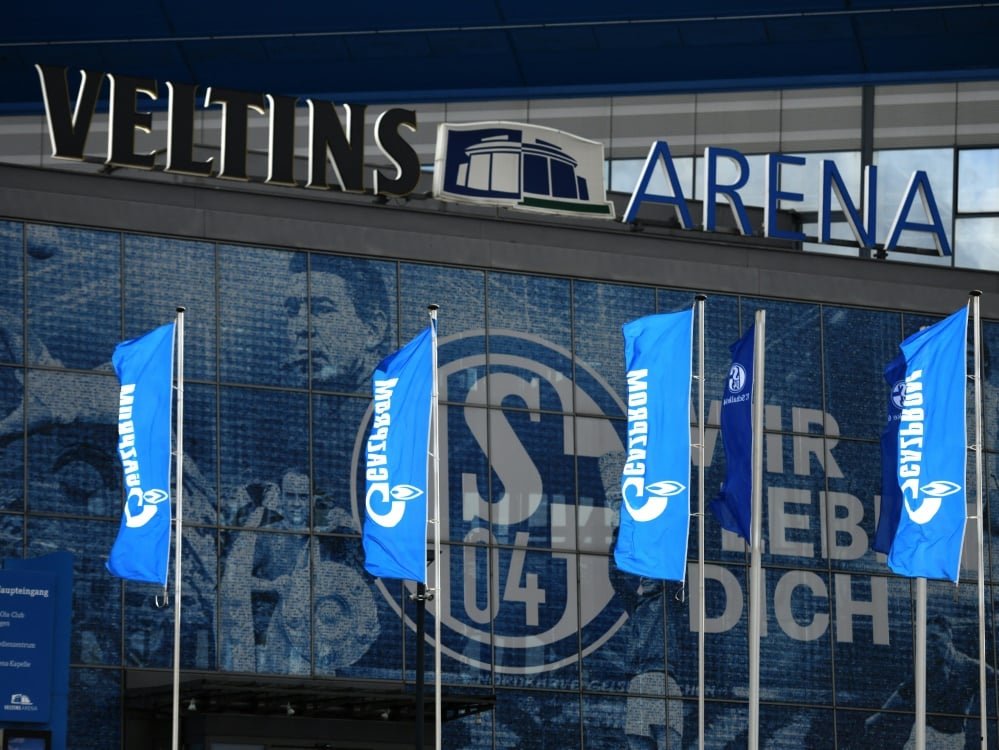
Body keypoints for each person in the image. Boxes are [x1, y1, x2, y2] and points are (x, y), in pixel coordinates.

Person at [601, 450, 684, 750]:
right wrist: (617, 533)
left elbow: (669, 569)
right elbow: (617, 577)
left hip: (661, 678)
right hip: (639, 681)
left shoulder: (667, 598)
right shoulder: (639, 605)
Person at [864, 615, 994, 749]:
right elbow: (902, 693)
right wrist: (878, 716)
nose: (929, 643)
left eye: (934, 637)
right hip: (925, 733)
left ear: (949, 635)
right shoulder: (927, 667)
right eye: (926, 639)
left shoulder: (971, 667)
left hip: (953, 740)